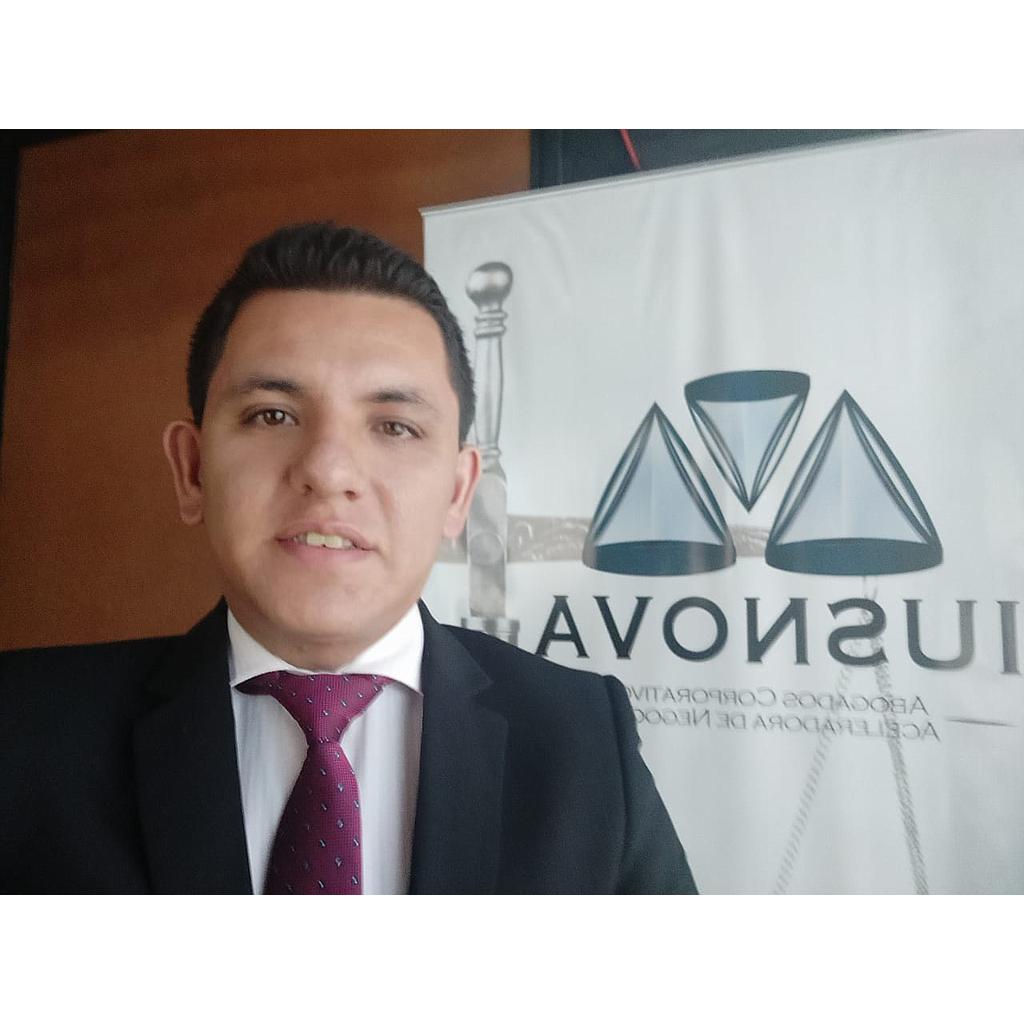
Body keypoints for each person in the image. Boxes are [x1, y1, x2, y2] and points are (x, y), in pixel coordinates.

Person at [0, 223, 697, 894]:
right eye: (272, 415)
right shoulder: (26, 732)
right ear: (192, 470)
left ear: (459, 494)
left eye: (395, 426)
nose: (329, 471)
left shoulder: (583, 740)